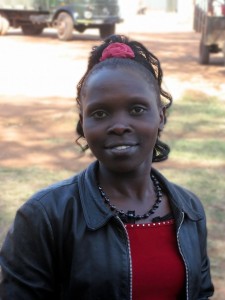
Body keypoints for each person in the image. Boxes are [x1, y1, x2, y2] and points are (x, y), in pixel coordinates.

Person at [0, 34, 214, 299]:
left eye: (137, 109)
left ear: (160, 115)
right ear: (83, 123)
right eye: (100, 113)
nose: (119, 125)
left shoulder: (190, 210)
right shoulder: (44, 217)